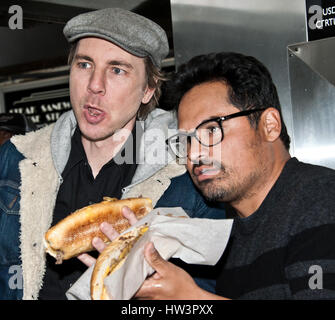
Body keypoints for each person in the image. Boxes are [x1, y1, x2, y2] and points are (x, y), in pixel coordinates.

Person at [0, 8, 224, 300]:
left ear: (148, 89)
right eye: (84, 64)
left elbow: (201, 295)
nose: (95, 85)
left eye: (117, 70)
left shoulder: (187, 177)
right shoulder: (17, 159)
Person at [131, 52, 335, 300]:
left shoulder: (321, 198)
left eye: (211, 130)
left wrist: (192, 299)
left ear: (269, 125)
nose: (194, 154)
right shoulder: (229, 238)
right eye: (185, 140)